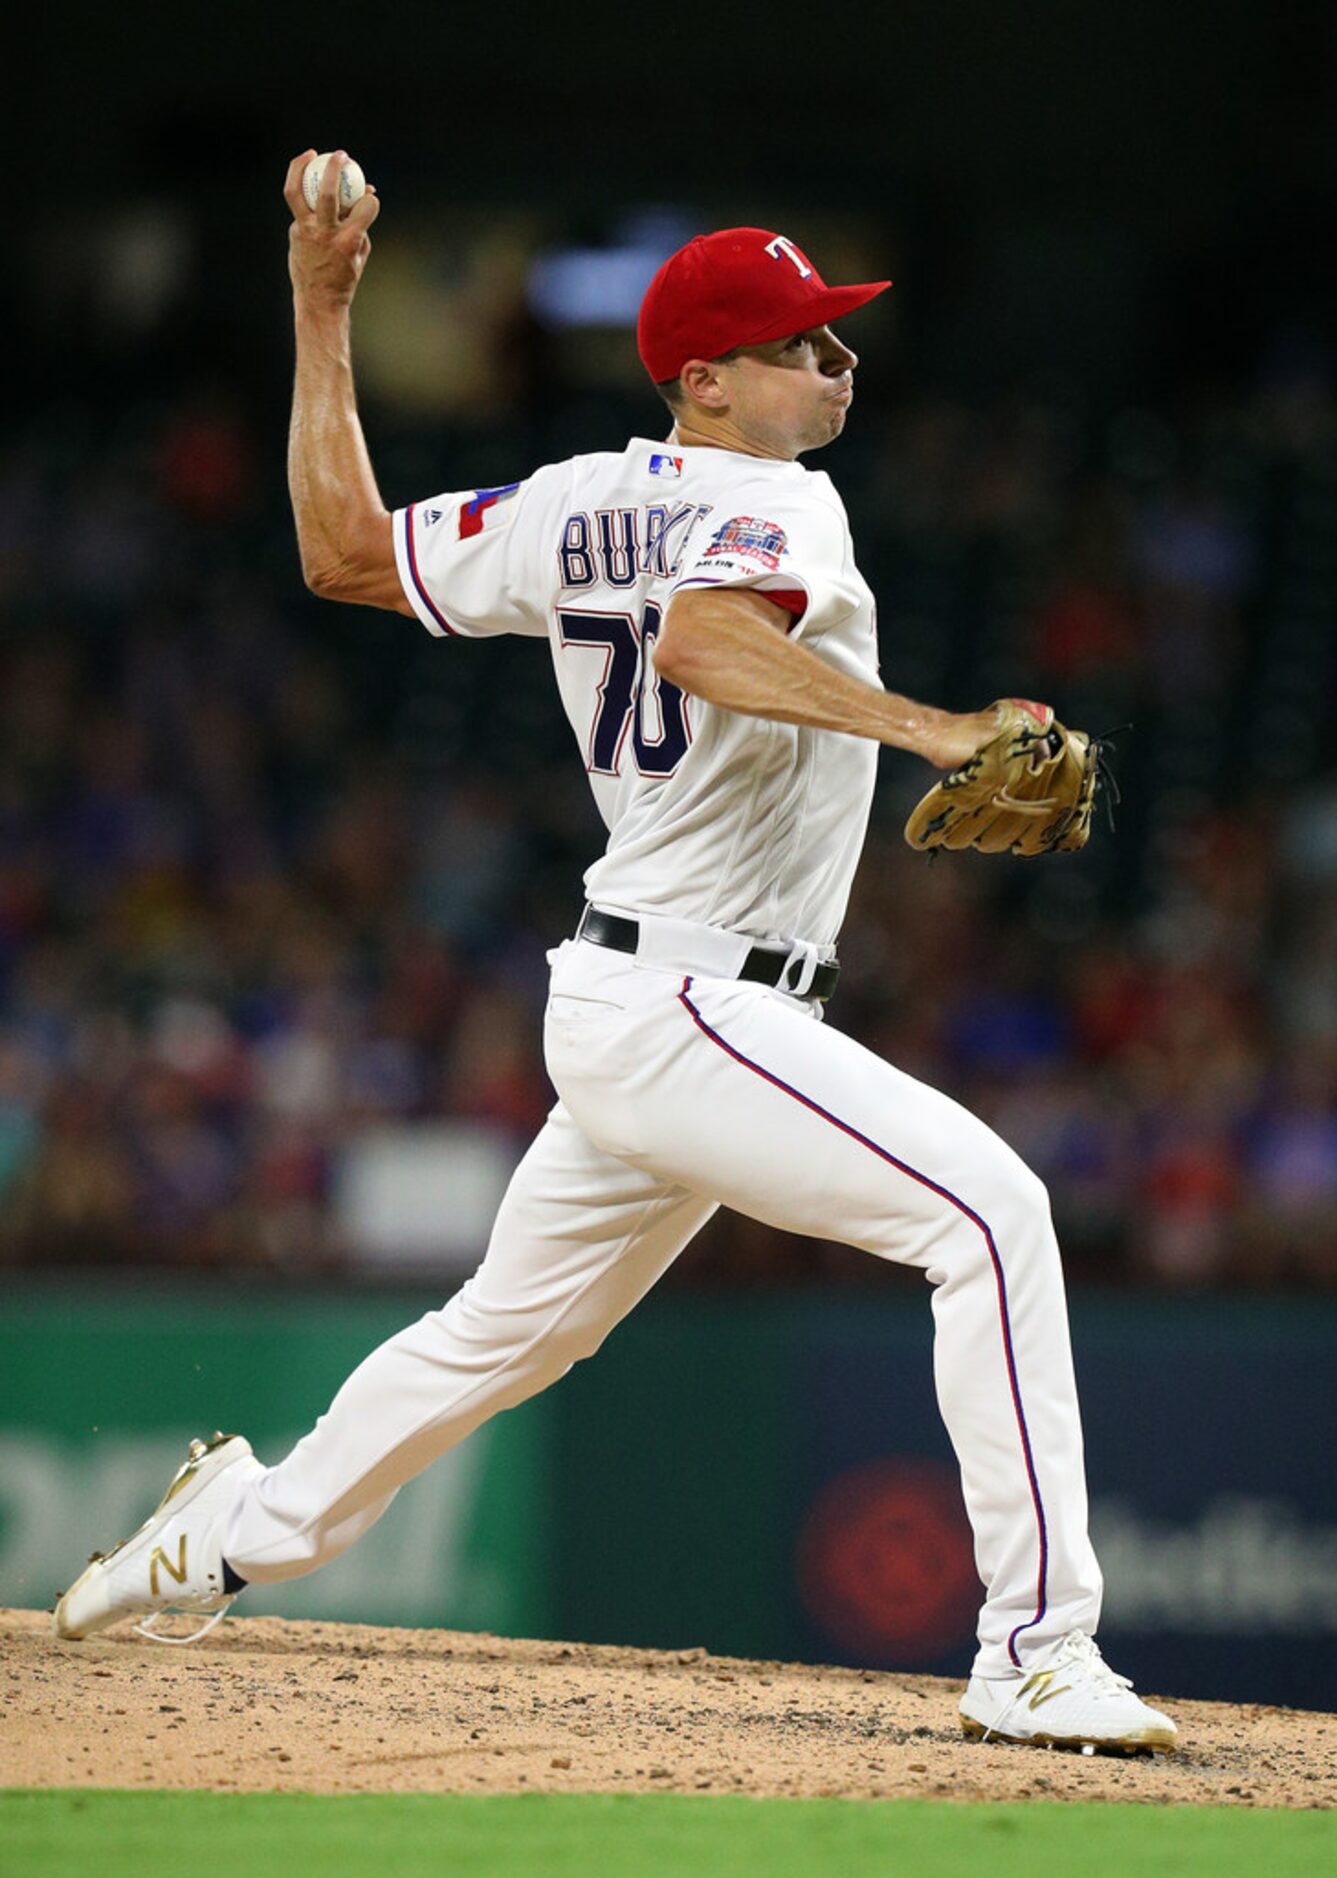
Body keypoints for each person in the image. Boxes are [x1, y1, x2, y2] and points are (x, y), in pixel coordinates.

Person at [53, 150, 1177, 1756]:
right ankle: (1034, 1647)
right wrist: (931, 729)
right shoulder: (775, 495)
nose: (837, 363)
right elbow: (709, 636)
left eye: (836, 338)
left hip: (639, 991)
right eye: (803, 343)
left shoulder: (577, 496)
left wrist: (320, 314)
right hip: (693, 1001)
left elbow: (344, 552)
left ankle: (228, 1526)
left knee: (507, 1332)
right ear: (707, 381)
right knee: (990, 1215)